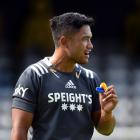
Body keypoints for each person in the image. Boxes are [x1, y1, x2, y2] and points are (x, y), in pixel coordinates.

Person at [11, 12, 118, 140]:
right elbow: (19, 131)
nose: (90, 45)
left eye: (90, 39)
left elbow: (106, 131)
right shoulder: (34, 75)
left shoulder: (91, 78)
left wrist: (107, 113)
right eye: (85, 39)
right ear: (64, 42)